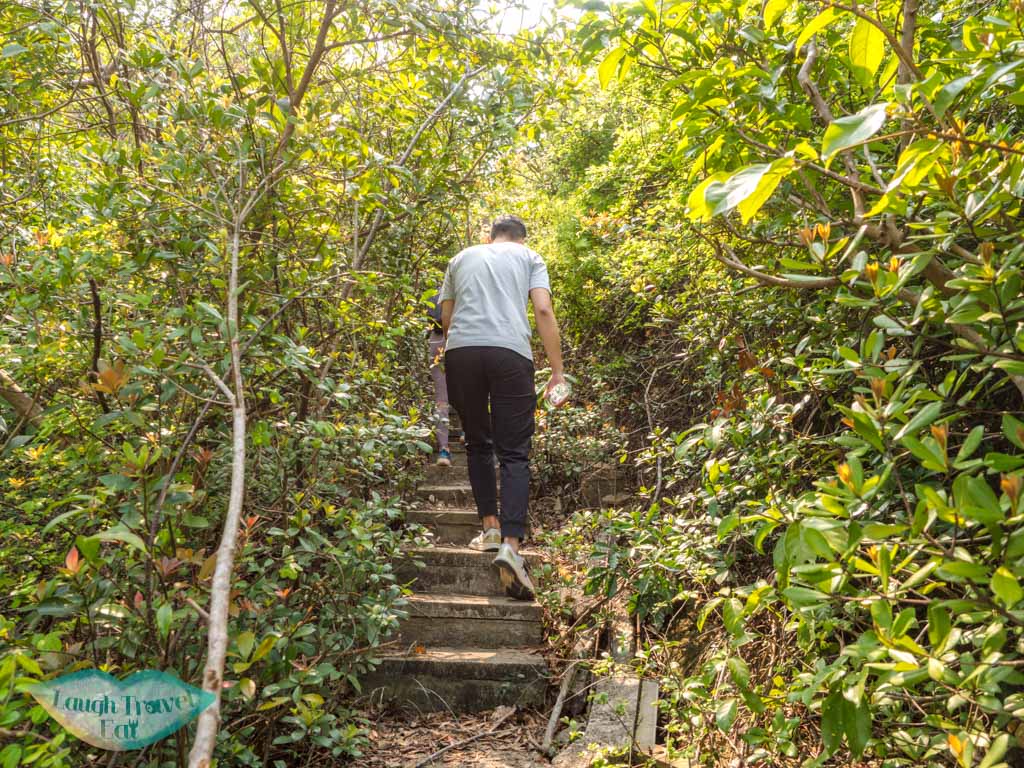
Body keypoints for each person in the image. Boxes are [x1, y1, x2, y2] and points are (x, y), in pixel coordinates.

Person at [439, 214, 565, 600]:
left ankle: (489, 528)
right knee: (514, 452)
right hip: (510, 354)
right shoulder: (529, 257)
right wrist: (557, 371)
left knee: (477, 443)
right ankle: (511, 544)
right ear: (522, 238)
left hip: (461, 352)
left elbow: (446, 315)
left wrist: (460, 349)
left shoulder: (461, 257)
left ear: (489, 237)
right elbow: (543, 311)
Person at [426, 291, 452, 466]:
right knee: (467, 391)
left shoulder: (433, 295)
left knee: (441, 400)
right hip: (457, 340)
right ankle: (468, 435)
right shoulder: (461, 292)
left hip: (435, 342)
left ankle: (444, 450)